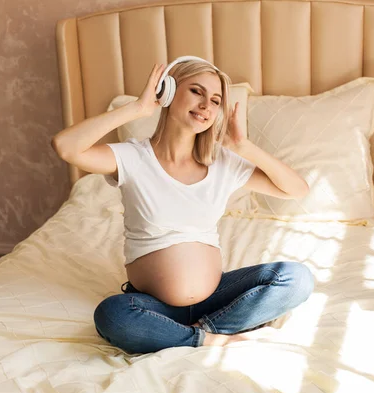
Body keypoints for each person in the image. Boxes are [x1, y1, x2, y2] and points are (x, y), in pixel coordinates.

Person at [51, 56, 314, 354]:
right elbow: (65, 146)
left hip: (219, 298)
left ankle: (202, 332)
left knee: (296, 278)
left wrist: (243, 147)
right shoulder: (132, 157)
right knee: (111, 314)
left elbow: (297, 190)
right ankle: (209, 339)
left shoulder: (222, 162)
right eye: (196, 91)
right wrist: (137, 108)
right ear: (168, 91)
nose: (206, 105)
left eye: (215, 100)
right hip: (152, 305)